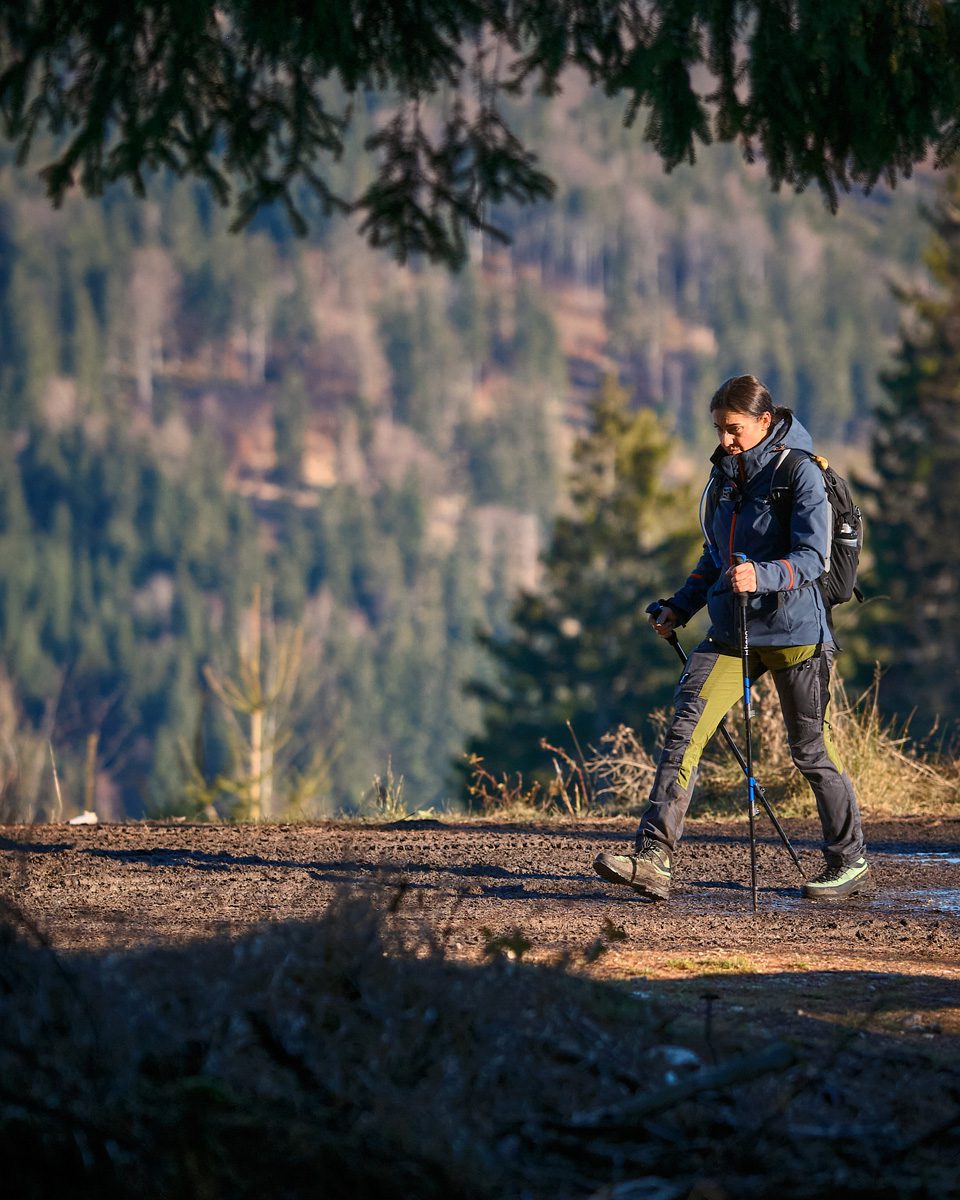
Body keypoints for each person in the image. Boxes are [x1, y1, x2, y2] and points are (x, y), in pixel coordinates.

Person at [593, 374, 869, 901]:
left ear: (765, 422)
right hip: (729, 630)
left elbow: (814, 558)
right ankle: (653, 859)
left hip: (796, 633)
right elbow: (714, 558)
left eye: (734, 429)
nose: (724, 440)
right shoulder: (725, 478)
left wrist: (763, 575)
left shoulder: (801, 475)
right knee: (685, 731)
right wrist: (680, 605)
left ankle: (850, 862)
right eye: (719, 428)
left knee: (810, 750)